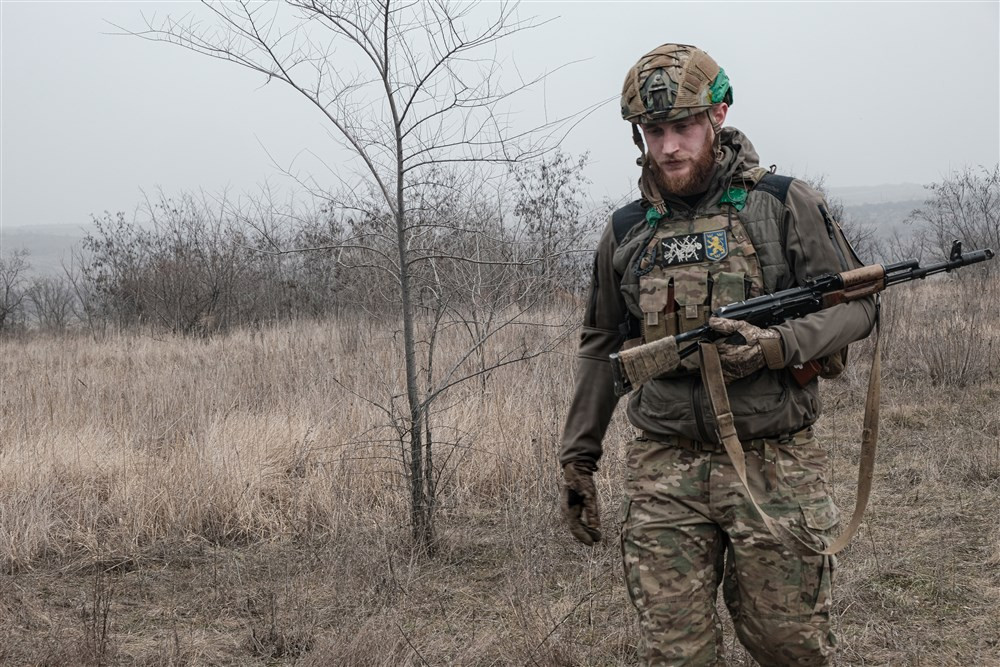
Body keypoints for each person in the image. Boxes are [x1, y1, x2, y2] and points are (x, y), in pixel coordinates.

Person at [559, 43, 876, 666]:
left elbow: (859, 305)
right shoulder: (627, 231)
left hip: (772, 462)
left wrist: (779, 345)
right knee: (675, 654)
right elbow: (600, 346)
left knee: (791, 647)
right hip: (664, 468)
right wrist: (578, 458)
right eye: (654, 132)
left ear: (718, 116)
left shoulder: (782, 204)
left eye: (684, 127)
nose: (670, 146)